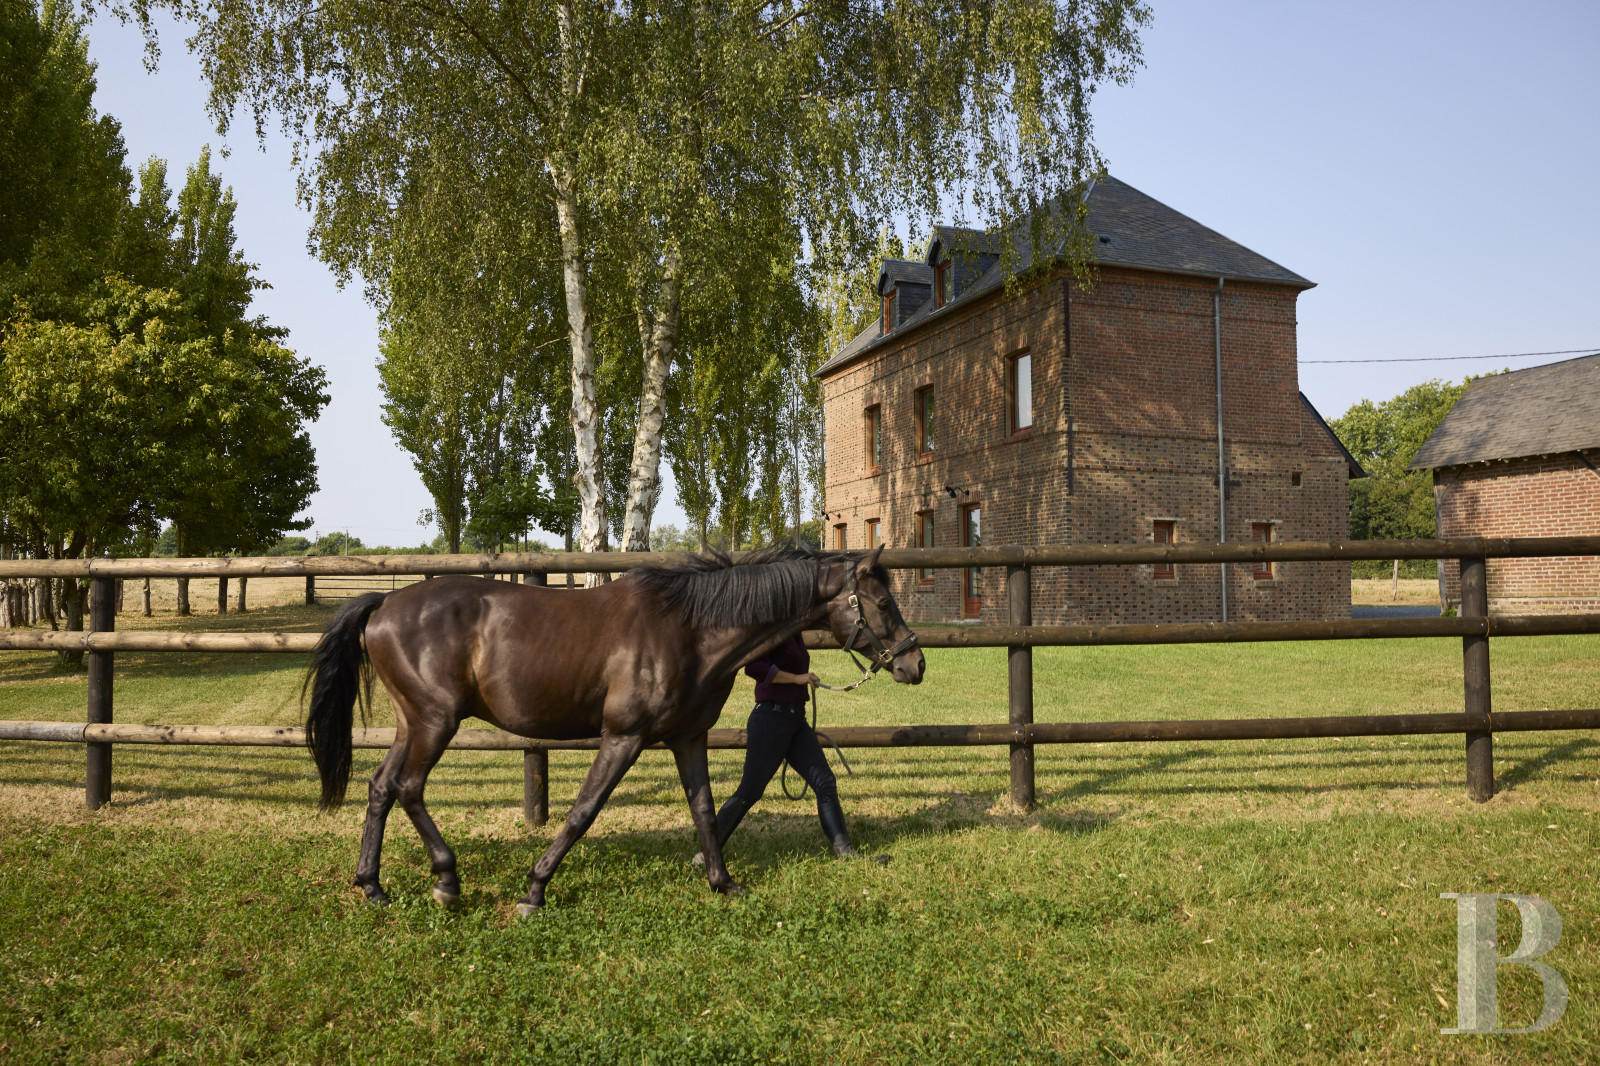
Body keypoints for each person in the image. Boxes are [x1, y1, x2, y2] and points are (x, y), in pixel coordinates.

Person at [695, 632, 886, 864]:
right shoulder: (772, 630)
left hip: (795, 719)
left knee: (825, 782)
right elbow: (754, 668)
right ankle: (707, 853)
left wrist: (803, 679)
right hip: (771, 719)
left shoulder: (794, 633)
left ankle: (846, 853)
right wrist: (797, 679)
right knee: (750, 791)